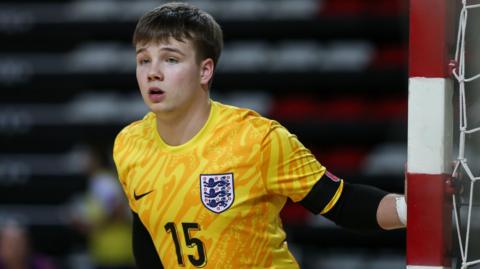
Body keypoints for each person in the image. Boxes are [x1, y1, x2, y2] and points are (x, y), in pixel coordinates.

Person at [113, 2, 406, 268]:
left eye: (170, 59)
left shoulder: (257, 139)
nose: (153, 72)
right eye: (143, 60)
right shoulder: (129, 144)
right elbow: (149, 236)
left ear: (205, 71)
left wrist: (411, 208)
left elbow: (342, 203)